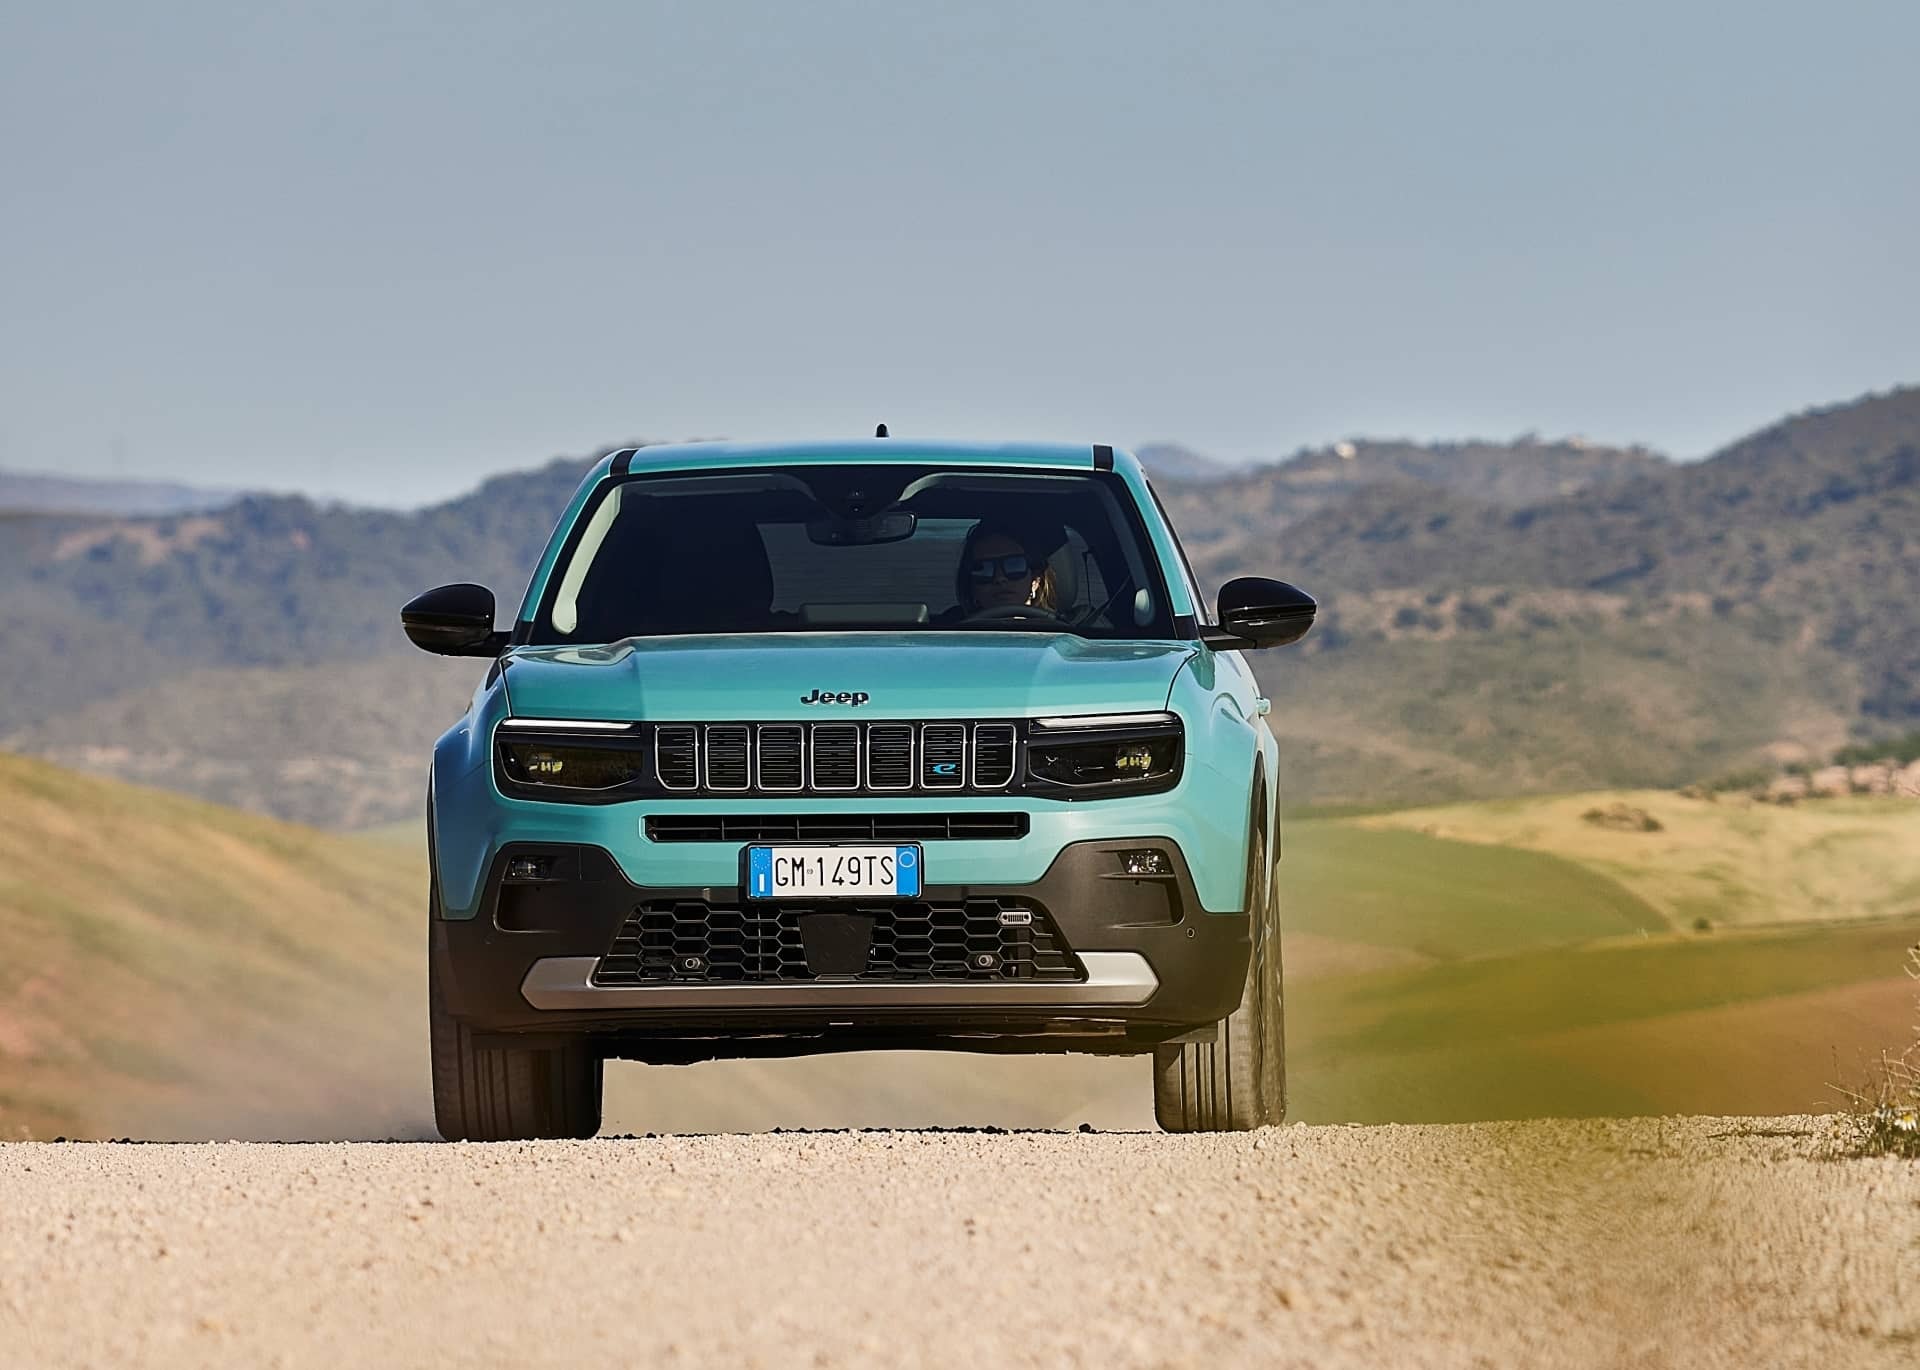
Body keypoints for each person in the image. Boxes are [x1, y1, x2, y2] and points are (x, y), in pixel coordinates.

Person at [949, 523, 1060, 618]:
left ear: (1035, 580)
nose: (1000, 578)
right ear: (971, 586)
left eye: (1014, 565)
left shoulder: (1062, 632)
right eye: (983, 569)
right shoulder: (948, 631)